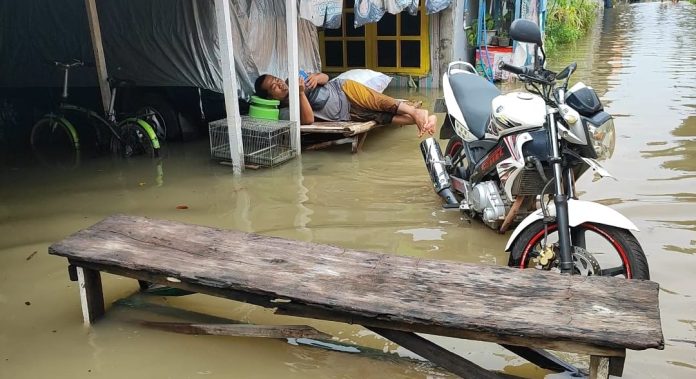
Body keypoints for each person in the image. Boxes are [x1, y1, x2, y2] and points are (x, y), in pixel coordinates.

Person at [254, 72, 436, 137]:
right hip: (346, 115)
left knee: (378, 101)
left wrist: (316, 77)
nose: (280, 84)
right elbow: (308, 120)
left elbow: (326, 78)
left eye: (277, 80)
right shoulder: (286, 111)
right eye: (274, 87)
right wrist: (300, 93)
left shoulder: (295, 78)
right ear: (271, 98)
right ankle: (425, 119)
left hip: (344, 90)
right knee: (384, 118)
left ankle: (415, 112)